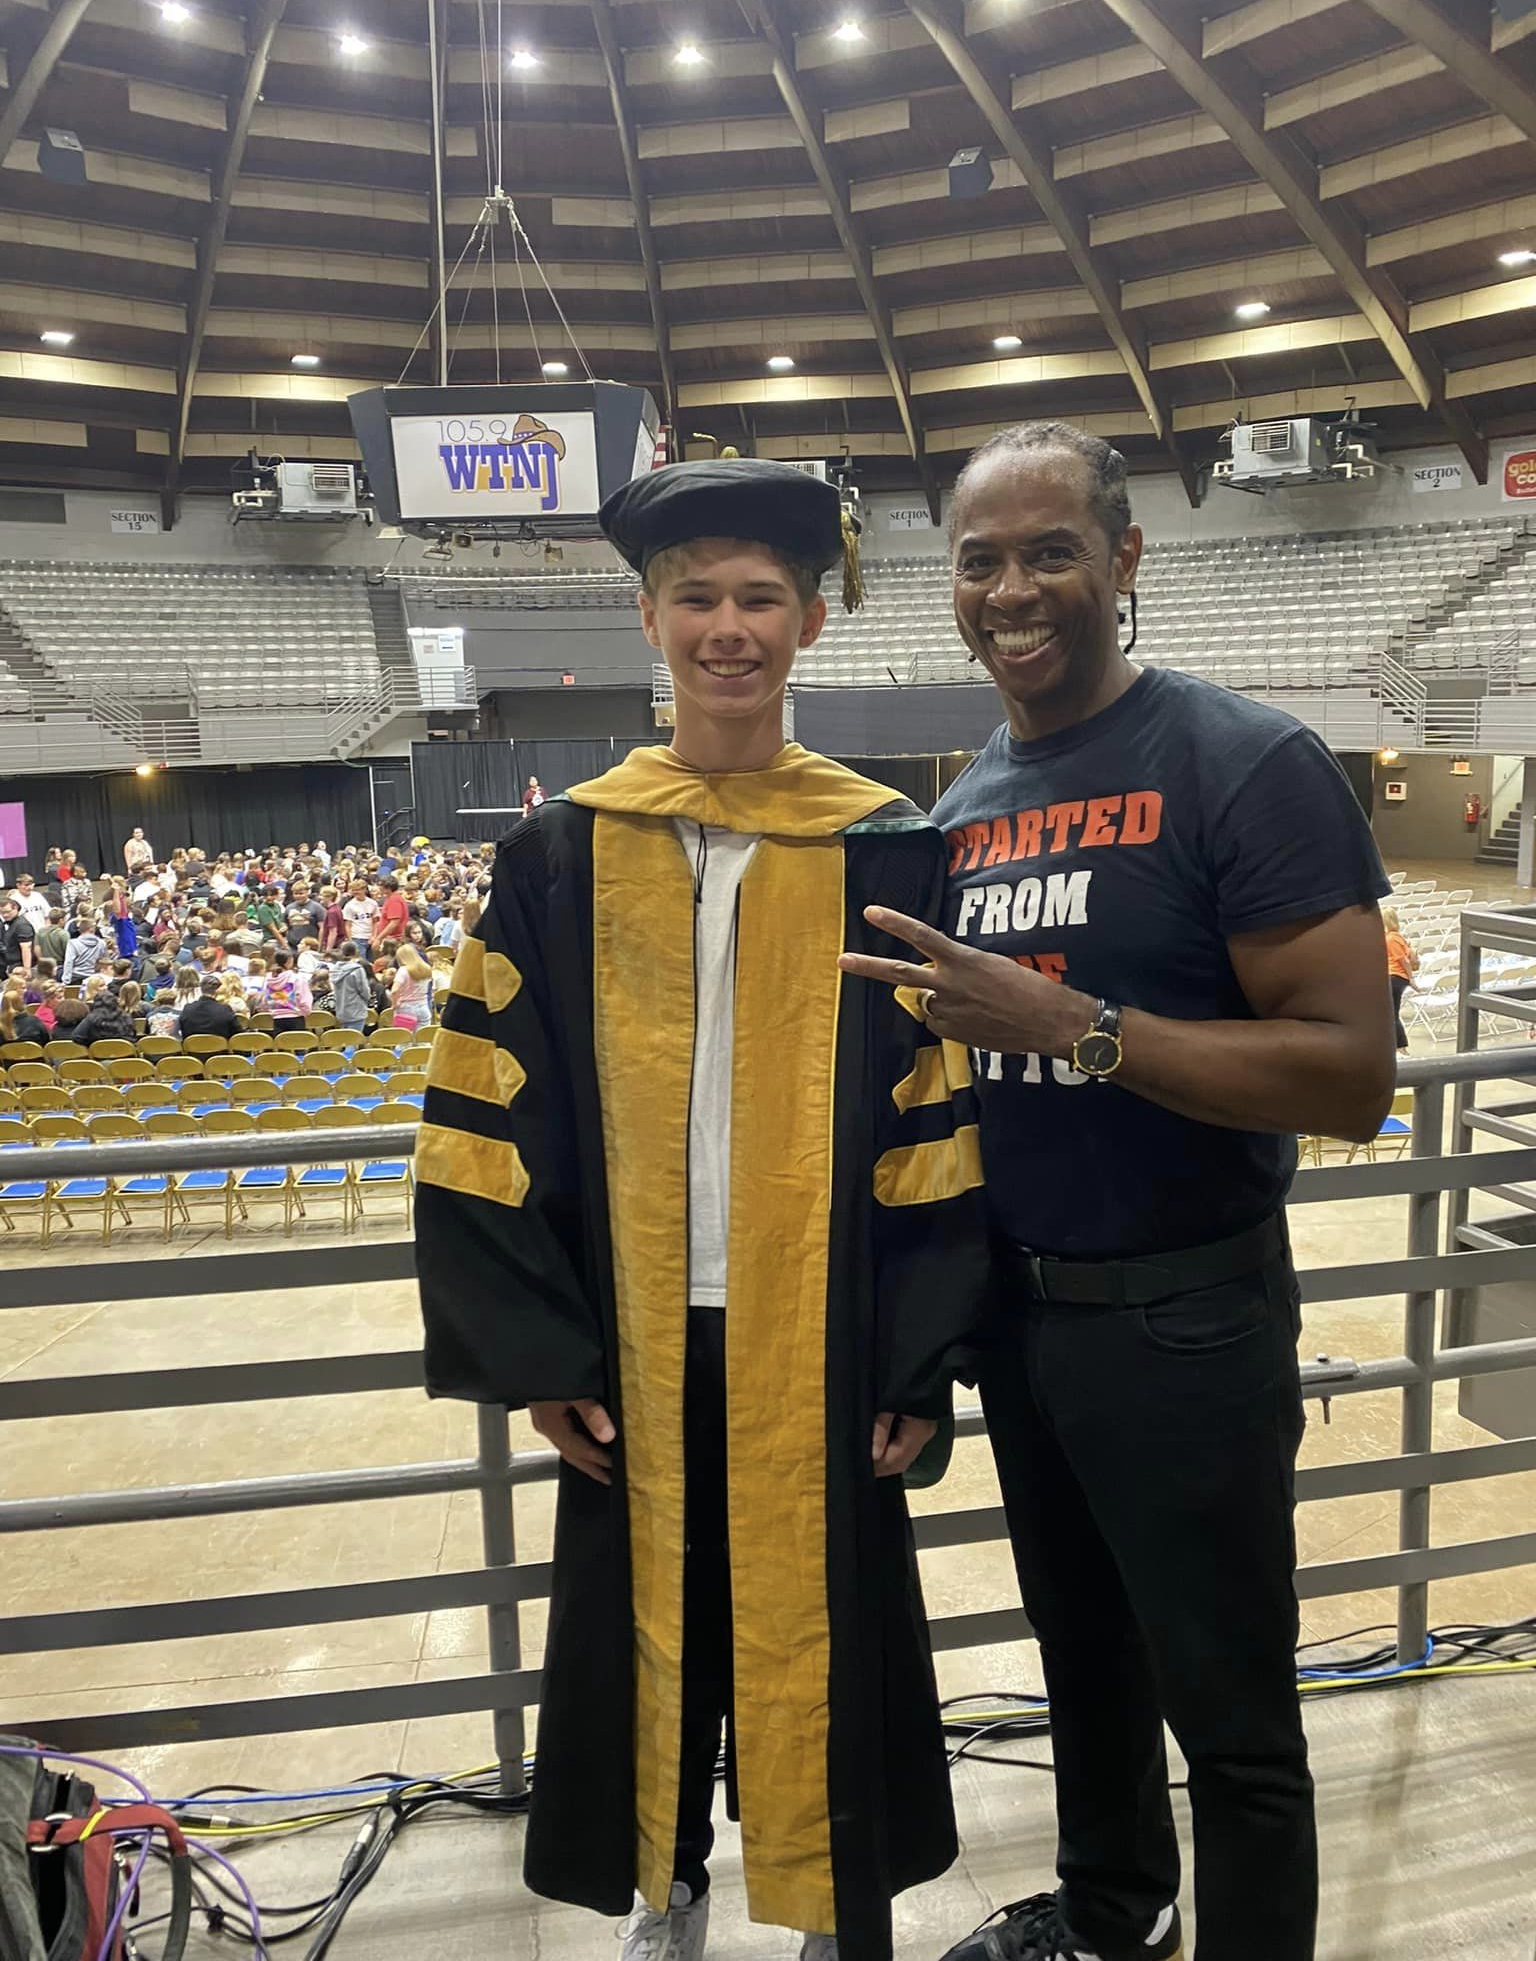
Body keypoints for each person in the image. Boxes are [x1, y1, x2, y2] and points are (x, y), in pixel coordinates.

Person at [415, 460, 990, 1961]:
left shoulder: (885, 844)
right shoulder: (558, 856)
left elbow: (937, 1114)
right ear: (649, 617)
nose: (727, 629)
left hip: (828, 1330)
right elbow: (488, 1109)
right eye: (698, 600)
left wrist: (916, 1357)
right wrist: (541, 1354)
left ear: (809, 619)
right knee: (641, 1633)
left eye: (759, 600)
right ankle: (666, 1894)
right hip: (637, 1338)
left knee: (832, 1627)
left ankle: (823, 1895)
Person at [838, 423, 1395, 1961]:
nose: (1012, 590)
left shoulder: (1245, 762)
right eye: (979, 561)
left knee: (1231, 1721)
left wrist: (1075, 1028)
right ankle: (1107, 1918)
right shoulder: (974, 799)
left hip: (1188, 1316)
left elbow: (1350, 1075)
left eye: (1049, 552)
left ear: (1124, 561)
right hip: (1025, 1319)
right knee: (1082, 1665)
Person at [1383, 905, 1418, 1052]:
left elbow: (1403, 960)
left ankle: (1401, 1046)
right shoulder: (1399, 937)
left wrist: (1411, 979)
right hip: (1398, 977)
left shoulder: (1391, 939)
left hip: (1395, 977)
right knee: (1391, 1012)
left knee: (1392, 1013)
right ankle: (1398, 1045)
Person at [178, 975, 240, 1041]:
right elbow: (237, 1034)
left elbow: (183, 1032)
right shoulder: (225, 1009)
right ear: (217, 991)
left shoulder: (187, 1009)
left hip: (192, 1050)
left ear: (201, 989)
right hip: (220, 1050)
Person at [388, 942, 434, 1029]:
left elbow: (394, 991)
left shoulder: (403, 970)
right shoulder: (427, 968)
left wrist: (395, 1004)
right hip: (423, 1006)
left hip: (406, 1008)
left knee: (405, 1039)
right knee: (422, 1039)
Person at [329, 942, 373, 1030]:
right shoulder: (357, 970)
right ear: (355, 952)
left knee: (346, 1038)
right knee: (353, 1040)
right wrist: (367, 998)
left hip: (341, 1009)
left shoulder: (335, 969)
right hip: (356, 1010)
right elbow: (364, 990)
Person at [61, 920, 107, 987]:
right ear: (92, 929)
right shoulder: (102, 943)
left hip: (76, 978)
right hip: (94, 978)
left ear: (80, 930)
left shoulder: (73, 943)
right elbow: (105, 961)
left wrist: (66, 981)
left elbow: (69, 962)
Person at [0, 899, 35, 976]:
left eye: (8, 912)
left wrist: (27, 969)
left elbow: (26, 948)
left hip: (19, 967)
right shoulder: (7, 923)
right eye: (2, 913)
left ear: (15, 908)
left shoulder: (22, 925)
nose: (5, 915)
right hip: (9, 964)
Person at [376, 876, 410, 947]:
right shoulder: (391, 898)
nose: (379, 888)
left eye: (381, 885)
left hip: (393, 940)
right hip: (390, 938)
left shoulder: (394, 900)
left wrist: (379, 938)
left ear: (388, 887)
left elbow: (394, 923)